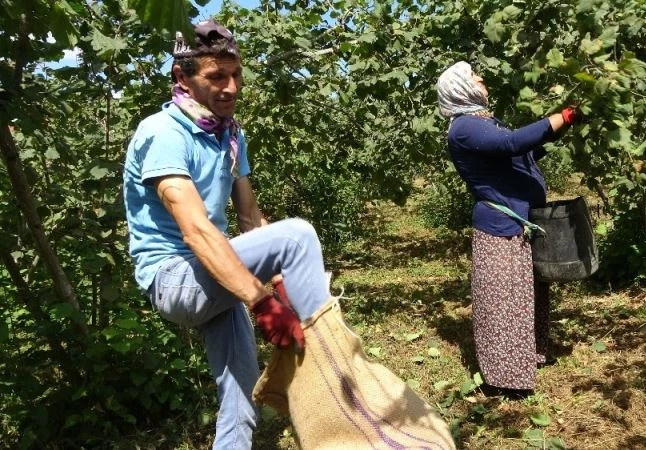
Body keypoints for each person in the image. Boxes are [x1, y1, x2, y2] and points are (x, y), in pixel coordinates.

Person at [123, 20, 454, 449]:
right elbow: (197, 231)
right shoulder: (162, 133)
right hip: (176, 279)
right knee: (297, 237)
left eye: (236, 75)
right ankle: (339, 379)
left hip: (218, 272)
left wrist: (277, 285)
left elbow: (250, 218)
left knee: (240, 400)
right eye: (216, 77)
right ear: (182, 77)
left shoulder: (230, 135)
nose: (230, 87)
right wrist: (260, 299)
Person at [436, 61, 577, 395]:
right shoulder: (465, 127)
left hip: (519, 223)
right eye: (473, 76)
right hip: (500, 227)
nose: (481, 78)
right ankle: (504, 380)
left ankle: (529, 357)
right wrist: (562, 116)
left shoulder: (484, 122)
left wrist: (561, 128)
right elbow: (512, 144)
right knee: (503, 304)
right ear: (460, 88)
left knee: (525, 296)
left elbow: (521, 154)